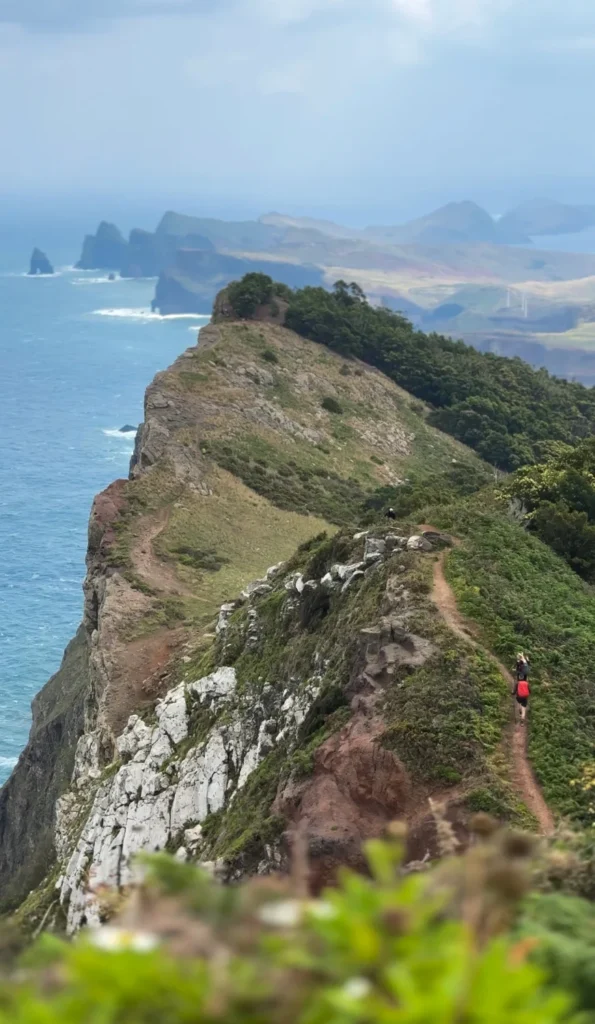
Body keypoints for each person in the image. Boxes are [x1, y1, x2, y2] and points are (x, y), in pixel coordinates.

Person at [513, 652, 530, 724]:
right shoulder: (526, 679)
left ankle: (519, 709)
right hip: (525, 695)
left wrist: (513, 693)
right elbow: (527, 663)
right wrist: (523, 657)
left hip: (519, 694)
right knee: (524, 708)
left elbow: (514, 691)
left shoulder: (518, 681)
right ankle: (522, 720)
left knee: (519, 702)